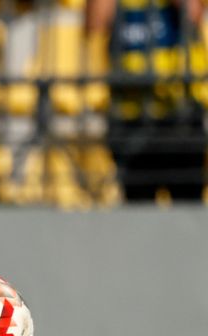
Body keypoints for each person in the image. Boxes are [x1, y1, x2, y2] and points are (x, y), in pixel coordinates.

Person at [86, 0, 207, 202]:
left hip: (180, 113)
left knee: (188, 209)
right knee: (137, 207)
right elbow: (94, 24)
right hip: (130, 115)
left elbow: (193, 14)